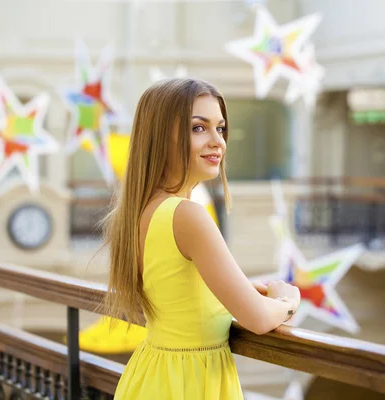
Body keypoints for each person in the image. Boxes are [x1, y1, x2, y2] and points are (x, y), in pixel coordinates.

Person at [103, 78, 301, 399]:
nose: (217, 141)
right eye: (198, 128)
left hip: (152, 375)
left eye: (220, 128)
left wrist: (241, 288)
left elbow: (178, 290)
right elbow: (259, 318)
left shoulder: (141, 209)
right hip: (188, 383)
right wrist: (288, 300)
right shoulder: (187, 215)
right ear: (160, 136)